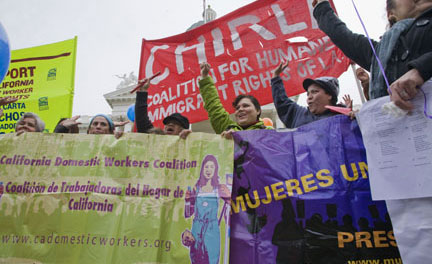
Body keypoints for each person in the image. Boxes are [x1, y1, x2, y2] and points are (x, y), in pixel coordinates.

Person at [312, 0, 432, 110]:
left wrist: (420, 70)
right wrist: (322, 7)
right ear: (391, 13)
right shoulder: (380, 54)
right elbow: (342, 36)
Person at [198, 62, 272, 139]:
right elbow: (214, 107)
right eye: (237, 108)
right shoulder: (228, 129)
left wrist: (239, 138)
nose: (240, 109)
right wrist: (205, 77)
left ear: (258, 111)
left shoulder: (269, 132)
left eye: (246, 106)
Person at [182, 154, 230, 264]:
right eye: (206, 167)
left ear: (215, 170)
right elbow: (188, 214)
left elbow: (232, 209)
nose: (208, 170)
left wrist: (229, 199)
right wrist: (187, 201)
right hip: (197, 227)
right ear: (202, 169)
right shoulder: (196, 187)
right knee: (195, 260)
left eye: (212, 167)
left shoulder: (219, 188)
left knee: (212, 260)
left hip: (212, 229)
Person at [271, 61, 342, 128]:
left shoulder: (342, 118)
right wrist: (275, 77)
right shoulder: (298, 114)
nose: (309, 97)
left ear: (330, 95)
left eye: (314, 92)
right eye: (308, 94)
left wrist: (351, 116)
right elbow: (282, 103)